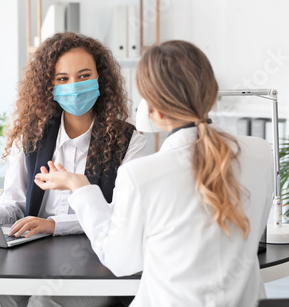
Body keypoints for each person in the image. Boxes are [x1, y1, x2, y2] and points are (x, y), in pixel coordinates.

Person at [34, 40, 274, 307]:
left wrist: (80, 188)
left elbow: (120, 260)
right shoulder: (262, 154)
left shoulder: (142, 175)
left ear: (153, 110)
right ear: (211, 91)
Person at [0, 32, 147, 307]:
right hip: (33, 258)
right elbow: (15, 203)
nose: (74, 86)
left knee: (45, 302)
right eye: (63, 79)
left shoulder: (131, 142)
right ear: (49, 86)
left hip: (98, 263)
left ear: (100, 79)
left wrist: (54, 225)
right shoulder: (31, 136)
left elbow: (121, 216)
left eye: (83, 76)